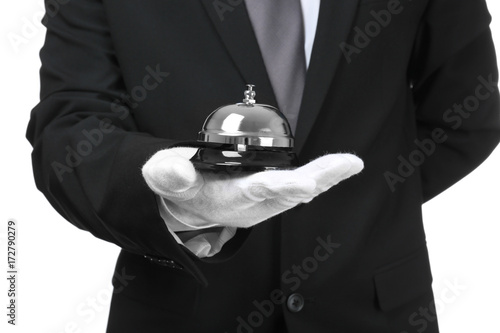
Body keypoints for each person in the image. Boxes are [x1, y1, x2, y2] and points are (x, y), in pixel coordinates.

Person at [26, 0, 500, 332]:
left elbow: (465, 118)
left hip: (378, 311)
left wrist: (365, 205)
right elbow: (69, 130)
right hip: (181, 312)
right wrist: (183, 204)